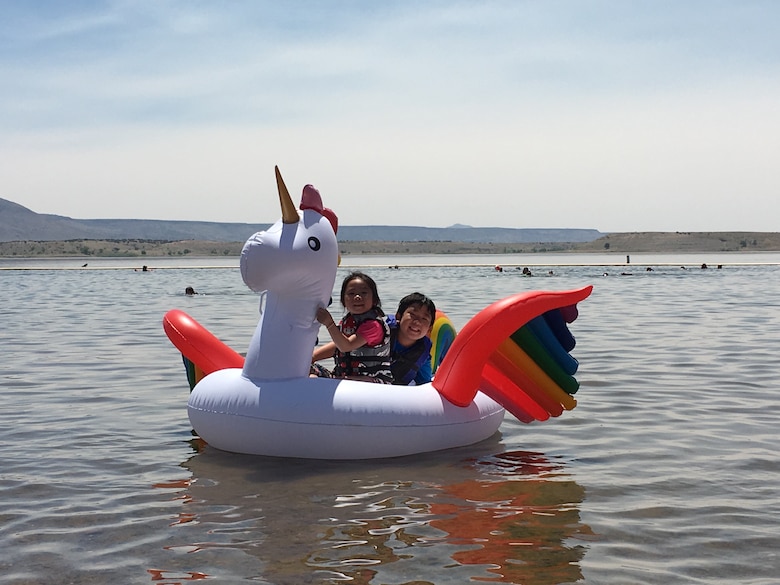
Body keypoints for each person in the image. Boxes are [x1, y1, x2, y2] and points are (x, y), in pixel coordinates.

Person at [311, 272, 392, 383]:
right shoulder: (347, 322)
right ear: (343, 301)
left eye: (364, 293)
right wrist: (312, 357)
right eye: (351, 293)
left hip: (373, 380)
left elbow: (346, 346)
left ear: (375, 300)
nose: (357, 297)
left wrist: (329, 323)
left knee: (315, 379)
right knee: (306, 369)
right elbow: (337, 345)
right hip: (346, 377)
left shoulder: (374, 325)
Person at [389, 292, 436, 385]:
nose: (417, 322)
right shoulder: (379, 332)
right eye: (413, 315)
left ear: (429, 328)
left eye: (424, 319)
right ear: (398, 316)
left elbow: (424, 383)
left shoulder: (423, 354)